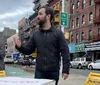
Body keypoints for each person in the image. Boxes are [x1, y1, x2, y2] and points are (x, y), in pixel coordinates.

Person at [14, 6, 70, 85]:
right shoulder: (35, 35)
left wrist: (65, 70)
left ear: (48, 16)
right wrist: (19, 47)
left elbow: (65, 52)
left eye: (40, 14)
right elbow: (29, 50)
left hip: (53, 72)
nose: (37, 17)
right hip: (39, 72)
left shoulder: (58, 34)